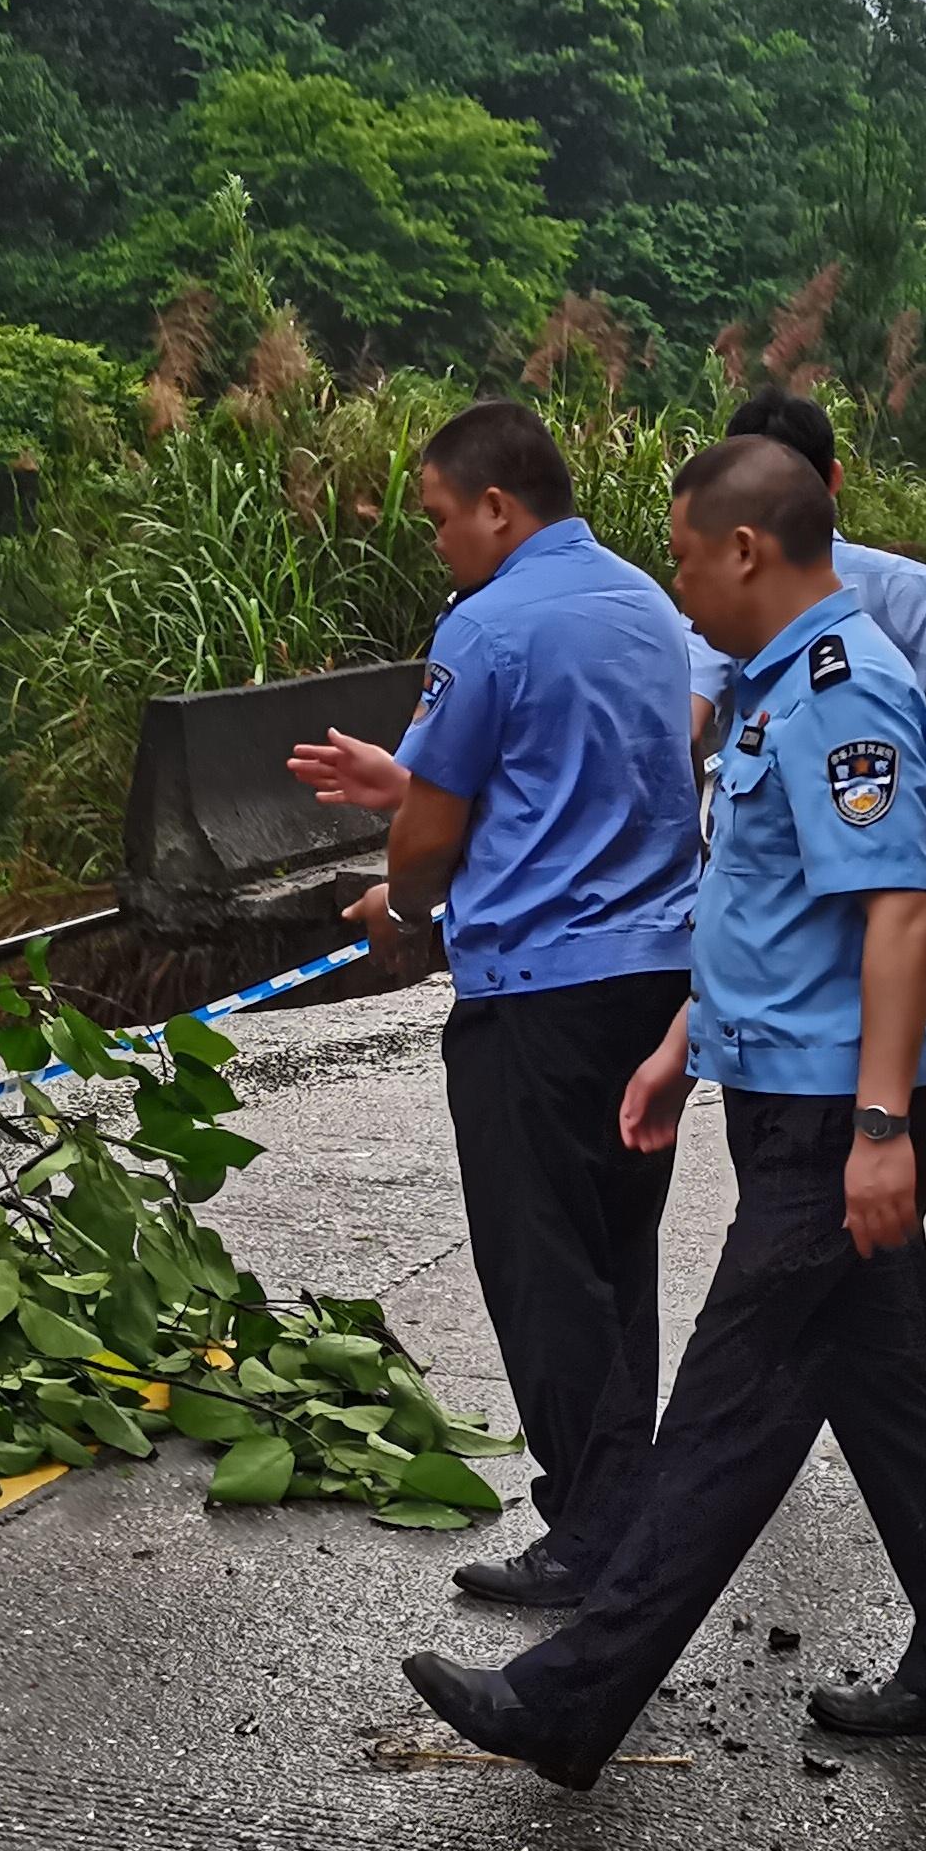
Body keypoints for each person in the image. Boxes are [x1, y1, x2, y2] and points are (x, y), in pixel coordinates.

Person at [400, 437, 926, 1787]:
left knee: (721, 1429)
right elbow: (765, 912)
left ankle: (567, 1702)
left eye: (685, 555)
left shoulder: (844, 688)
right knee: (893, 1389)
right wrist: (686, 1040)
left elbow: (897, 910)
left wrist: (875, 1131)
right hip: (804, 1099)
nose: (676, 585)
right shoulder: (767, 687)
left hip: (832, 1125)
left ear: (746, 548)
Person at [286, 400, 701, 1610]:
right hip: (650, 978)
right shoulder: (644, 605)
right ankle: (630, 1512)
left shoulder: (489, 623)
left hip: (535, 993)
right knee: (618, 1254)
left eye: (438, 521)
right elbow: (568, 768)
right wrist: (411, 781)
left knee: (541, 1265)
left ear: (496, 507)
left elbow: (433, 835)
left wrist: (404, 902)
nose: (437, 546)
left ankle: (592, 1531)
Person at [692, 390, 926, 872]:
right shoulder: (911, 587)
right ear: (834, 479)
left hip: (762, 893)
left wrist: (697, 859)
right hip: (891, 871)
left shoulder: (725, 591)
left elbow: (688, 728)